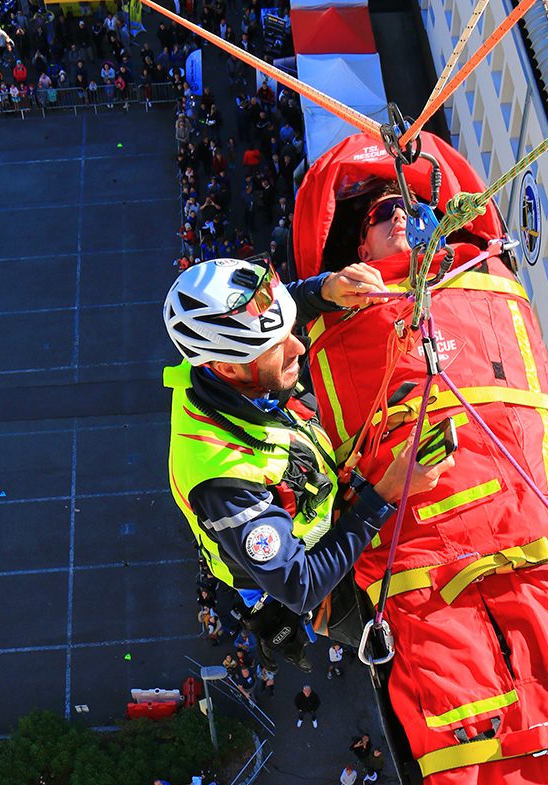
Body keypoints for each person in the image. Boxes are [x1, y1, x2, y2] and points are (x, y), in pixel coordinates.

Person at [162, 257, 452, 675]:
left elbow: (270, 321)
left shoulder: (222, 363)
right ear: (226, 367)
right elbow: (302, 584)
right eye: (277, 348)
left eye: (288, 330)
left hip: (322, 499)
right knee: (415, 644)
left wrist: (324, 290)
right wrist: (385, 494)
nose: (297, 346)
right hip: (315, 578)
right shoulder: (220, 476)